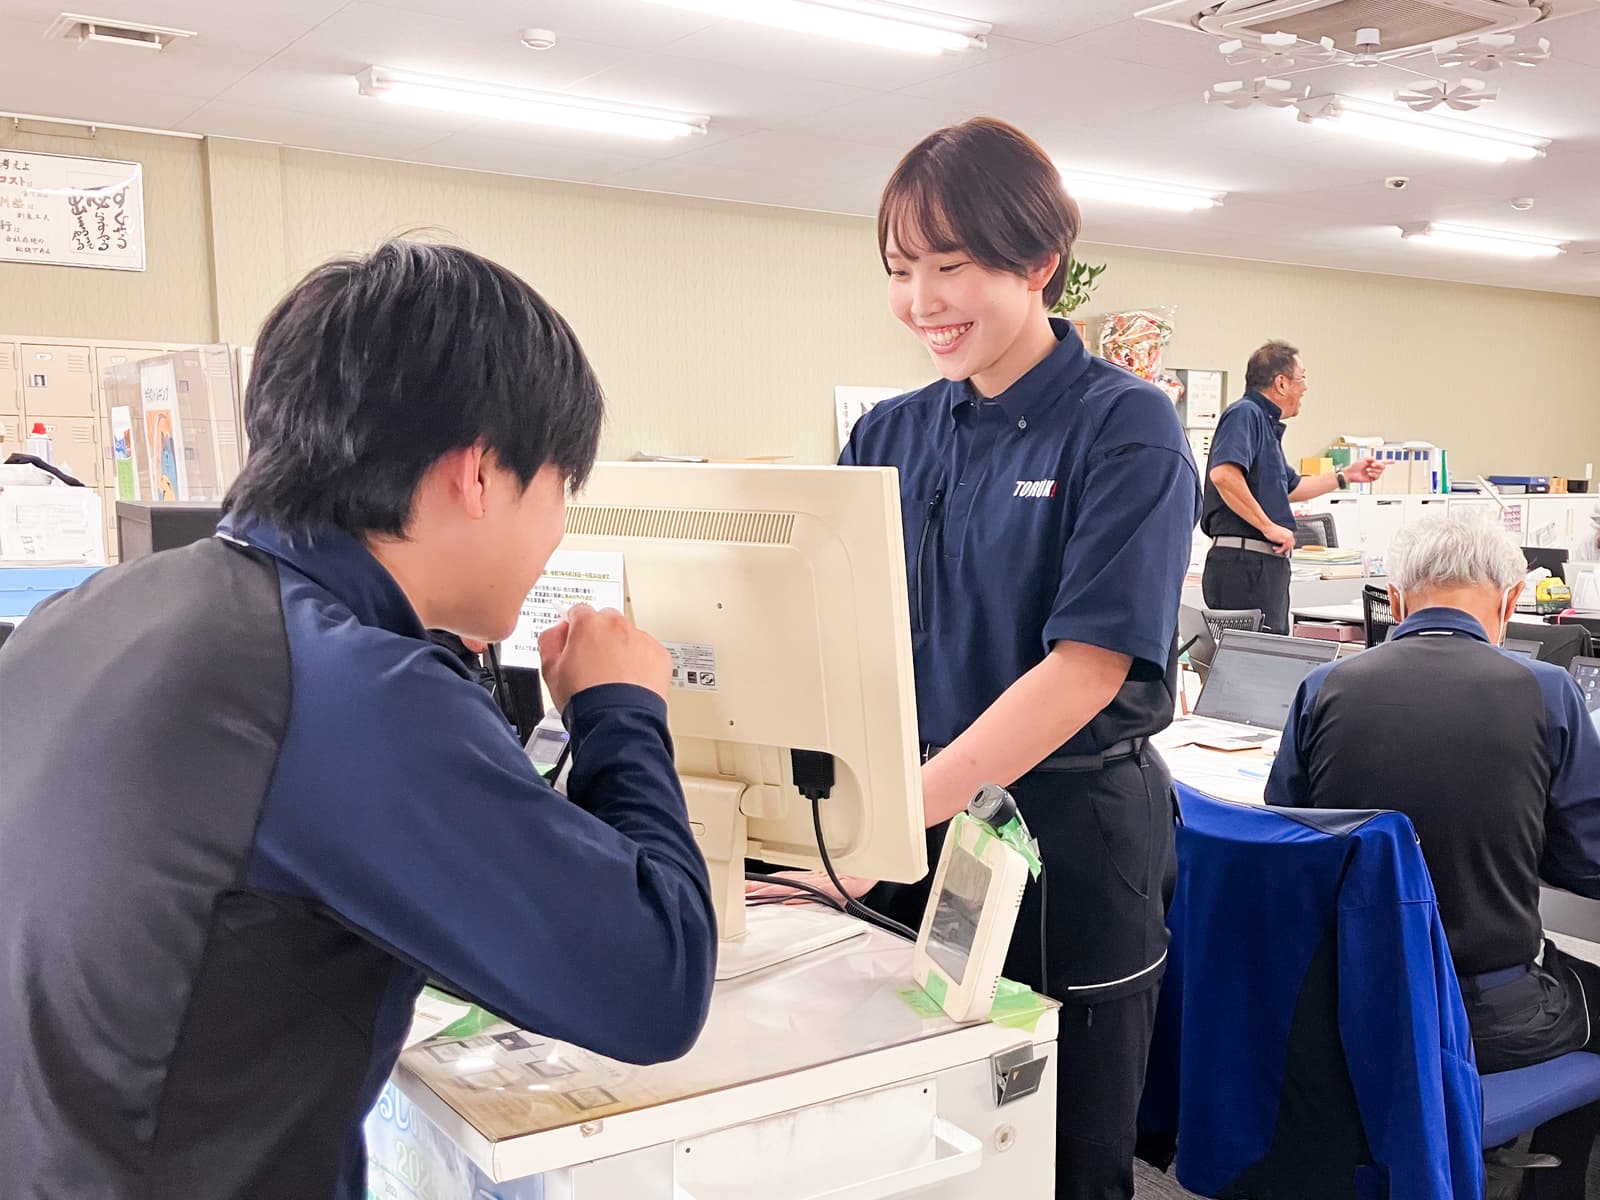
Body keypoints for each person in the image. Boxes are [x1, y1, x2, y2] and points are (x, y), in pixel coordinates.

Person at [0, 241, 717, 1200]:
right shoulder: (346, 689)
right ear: (479, 473)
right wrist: (619, 709)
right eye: (560, 488)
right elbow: (654, 985)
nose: (558, 528)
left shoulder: (90, 613)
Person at [759, 117, 1201, 1199]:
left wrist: (888, 825)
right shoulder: (888, 436)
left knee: (1060, 1151)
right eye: (899, 269)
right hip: (912, 828)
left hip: (1065, 843)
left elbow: (1087, 668)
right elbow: (840, 636)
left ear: (1039, 262)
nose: (922, 301)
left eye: (950, 265)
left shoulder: (1126, 427)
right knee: (922, 1138)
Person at [1266, 514, 1600, 1199]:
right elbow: (1590, 865)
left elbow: (1288, 838)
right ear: (1511, 600)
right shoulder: (1547, 691)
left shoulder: (1323, 687)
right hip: (1485, 1019)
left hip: (1345, 1007)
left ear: (1396, 598)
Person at [1201, 341, 1384, 633]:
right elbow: (1224, 475)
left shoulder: (1265, 424)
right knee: (1252, 654)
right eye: (1302, 378)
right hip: (1244, 564)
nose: (1305, 387)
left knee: (1270, 649)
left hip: (1263, 566)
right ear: (1281, 383)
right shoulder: (1245, 414)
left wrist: (1346, 476)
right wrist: (1268, 527)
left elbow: (1290, 487)